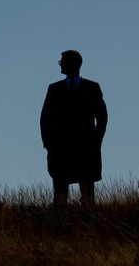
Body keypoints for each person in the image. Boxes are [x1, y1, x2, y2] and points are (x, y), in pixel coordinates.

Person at [40, 49, 107, 205]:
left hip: (86, 149)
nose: (60, 65)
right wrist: (49, 144)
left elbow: (102, 116)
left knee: (87, 193)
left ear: (73, 64)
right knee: (60, 194)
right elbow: (45, 118)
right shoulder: (54, 89)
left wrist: (97, 140)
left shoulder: (92, 88)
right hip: (61, 149)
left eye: (62, 62)